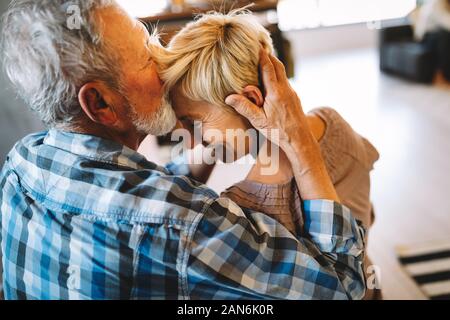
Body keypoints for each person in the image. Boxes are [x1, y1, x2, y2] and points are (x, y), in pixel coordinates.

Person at [0, 0, 366, 300]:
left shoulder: (20, 163)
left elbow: (132, 199)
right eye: (147, 56)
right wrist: (299, 140)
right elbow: (341, 287)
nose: (163, 63)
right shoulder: (187, 224)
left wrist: (205, 145)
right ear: (100, 103)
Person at [157, 10, 380, 297]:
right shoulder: (333, 125)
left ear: (251, 100)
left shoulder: (243, 207)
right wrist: (209, 137)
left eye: (193, 121)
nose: (188, 139)